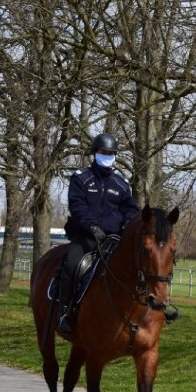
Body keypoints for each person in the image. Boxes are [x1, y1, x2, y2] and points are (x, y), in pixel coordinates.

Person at [57, 132, 139, 333]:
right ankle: (65, 312)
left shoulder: (121, 184)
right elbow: (77, 205)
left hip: (113, 239)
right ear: (95, 152)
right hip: (86, 237)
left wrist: (128, 224)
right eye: (103, 151)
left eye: (111, 152)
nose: (107, 155)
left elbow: (131, 209)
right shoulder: (81, 178)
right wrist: (92, 226)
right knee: (72, 265)